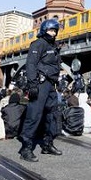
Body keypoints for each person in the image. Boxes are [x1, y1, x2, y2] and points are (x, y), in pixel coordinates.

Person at [18, 19, 63, 162]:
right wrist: (32, 85)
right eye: (51, 30)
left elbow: (55, 66)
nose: (53, 33)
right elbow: (30, 64)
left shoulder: (54, 46)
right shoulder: (38, 44)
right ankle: (26, 148)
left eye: (55, 30)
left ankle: (47, 144)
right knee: (34, 115)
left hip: (51, 84)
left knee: (52, 115)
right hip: (40, 83)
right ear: (44, 30)